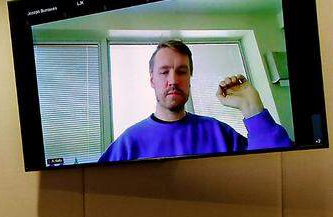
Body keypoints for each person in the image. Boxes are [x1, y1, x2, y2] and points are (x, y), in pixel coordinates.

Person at [99, 39, 291, 162]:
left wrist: (252, 108)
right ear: (152, 80)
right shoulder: (128, 143)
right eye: (164, 72)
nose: (173, 81)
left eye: (182, 72)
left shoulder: (218, 132)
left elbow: (277, 168)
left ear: (190, 78)